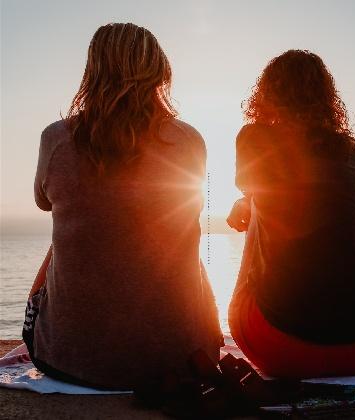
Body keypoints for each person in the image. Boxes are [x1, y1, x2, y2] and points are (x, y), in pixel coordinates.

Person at [23, 23, 222, 390]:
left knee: (69, 235)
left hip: (71, 362)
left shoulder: (56, 138)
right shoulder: (190, 140)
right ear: (161, 71)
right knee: (177, 237)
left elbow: (43, 201)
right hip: (182, 359)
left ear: (92, 71)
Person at [227, 50, 355, 378]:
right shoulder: (354, 153)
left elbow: (255, 187)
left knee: (257, 211)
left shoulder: (254, 138)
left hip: (281, 346)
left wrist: (248, 202)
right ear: (326, 98)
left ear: (265, 94)